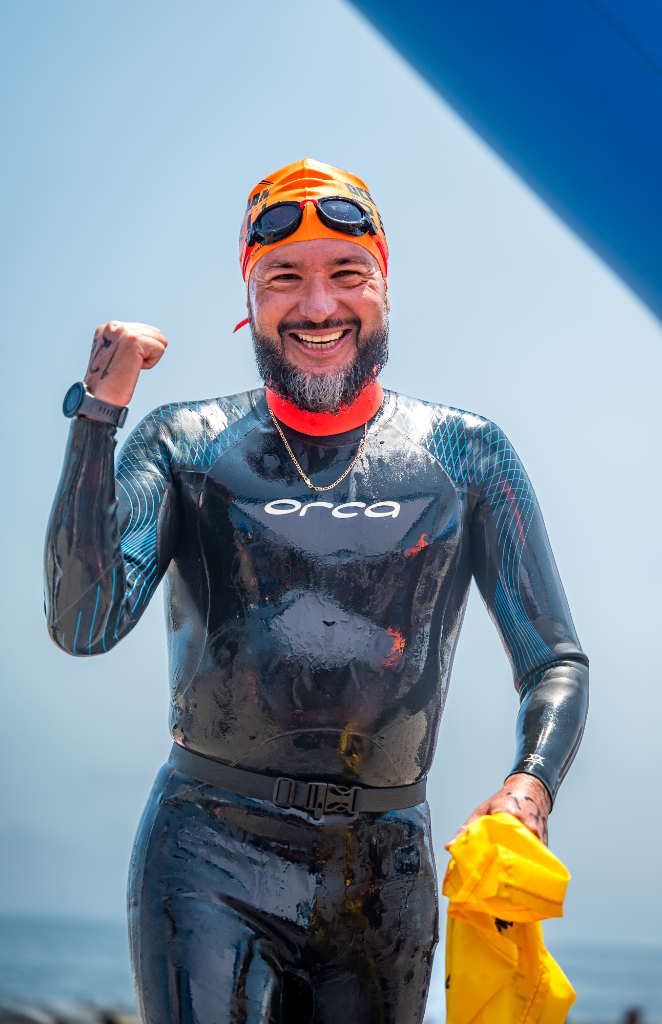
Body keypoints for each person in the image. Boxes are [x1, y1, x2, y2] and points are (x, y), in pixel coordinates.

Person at [44, 158, 588, 1024]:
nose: (319, 305)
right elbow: (83, 624)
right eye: (283, 278)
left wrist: (532, 784)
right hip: (207, 853)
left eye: (347, 273)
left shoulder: (468, 454)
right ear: (250, 299)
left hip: (384, 874)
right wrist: (99, 415)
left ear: (385, 286)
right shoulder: (185, 443)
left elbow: (553, 660)